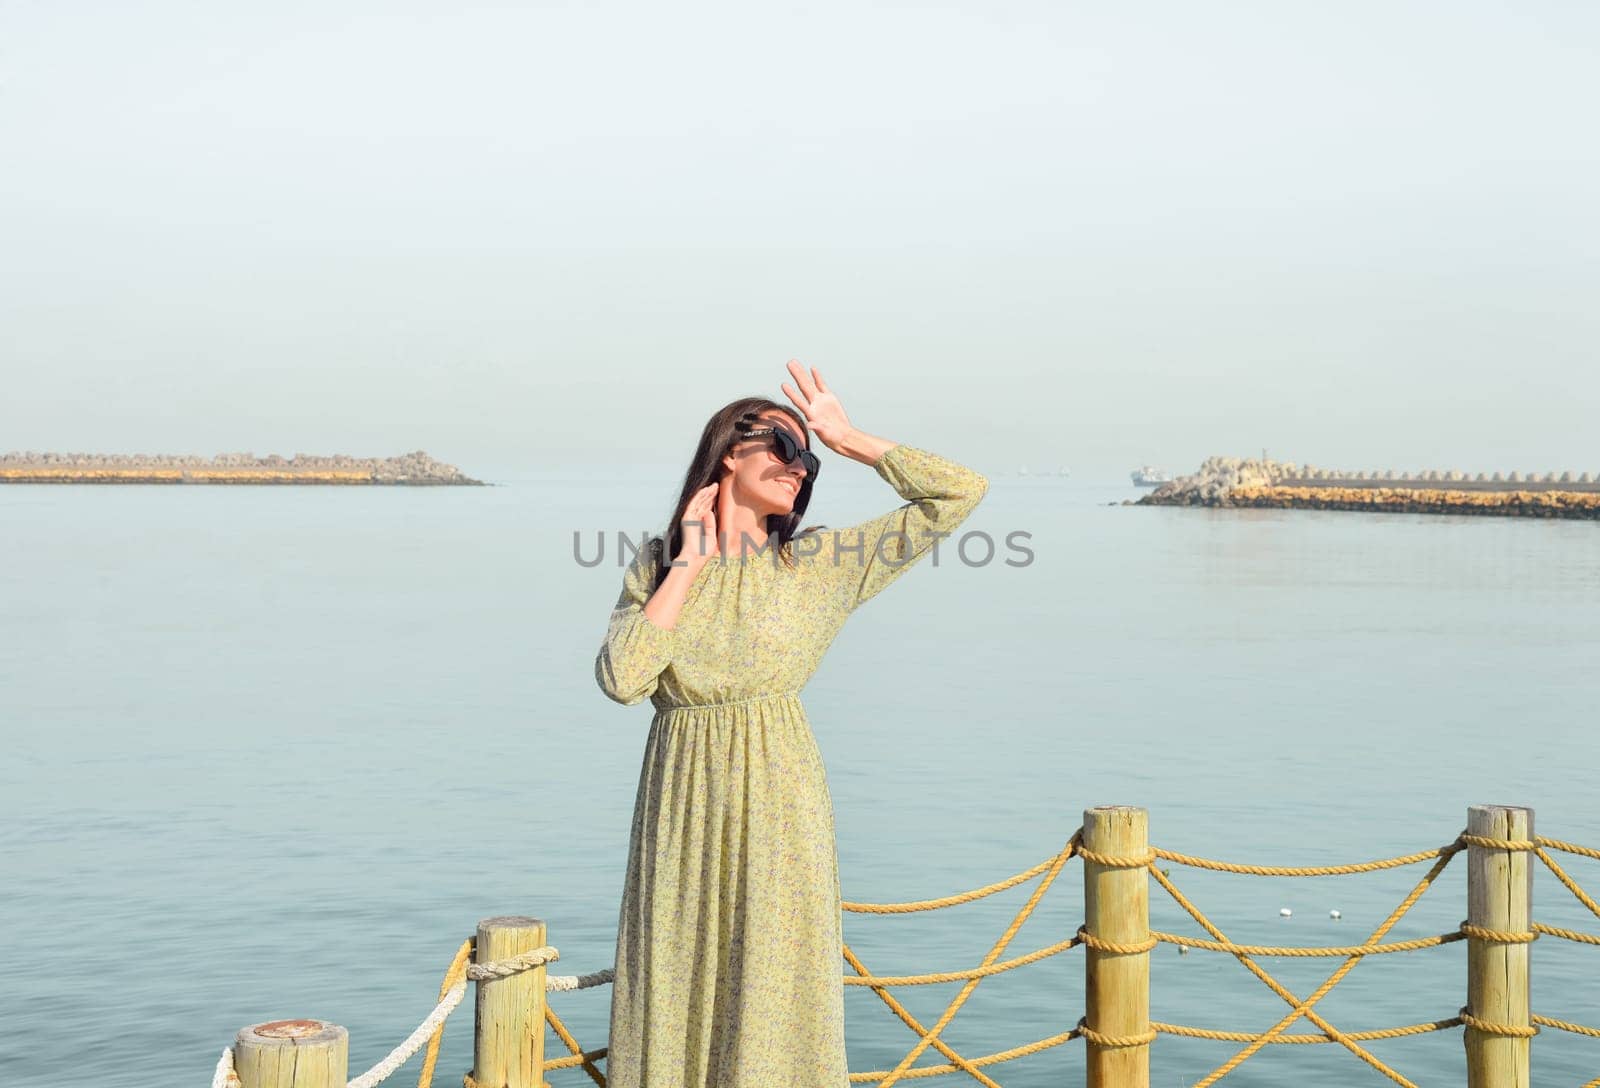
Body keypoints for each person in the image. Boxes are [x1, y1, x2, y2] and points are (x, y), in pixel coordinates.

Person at [594, 360, 989, 1087]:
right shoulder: (656, 568)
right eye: (781, 446)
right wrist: (689, 560)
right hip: (680, 808)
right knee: (672, 984)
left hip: (778, 802)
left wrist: (850, 440)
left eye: (805, 458)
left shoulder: (820, 564)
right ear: (725, 458)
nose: (798, 466)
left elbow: (960, 492)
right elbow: (623, 678)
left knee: (774, 994)